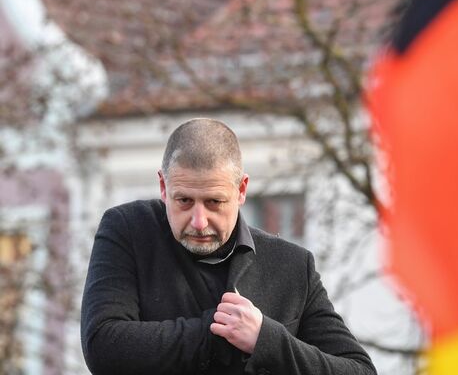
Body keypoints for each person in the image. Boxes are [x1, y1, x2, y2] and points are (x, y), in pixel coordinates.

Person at [81, 118, 376, 375]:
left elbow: (358, 370)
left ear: (242, 190)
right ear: (163, 187)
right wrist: (217, 333)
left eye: (214, 202)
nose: (198, 221)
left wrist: (265, 339)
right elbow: (104, 346)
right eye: (183, 200)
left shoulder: (292, 266)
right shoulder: (128, 230)